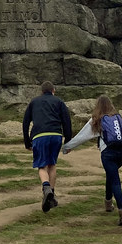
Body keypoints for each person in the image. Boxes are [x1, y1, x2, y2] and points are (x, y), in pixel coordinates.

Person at [63, 95, 122, 226]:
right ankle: (108, 203)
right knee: (111, 175)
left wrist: (67, 147)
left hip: (109, 153)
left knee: (115, 180)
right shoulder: (117, 118)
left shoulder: (97, 119)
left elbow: (82, 136)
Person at [22, 81, 73, 213]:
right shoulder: (59, 101)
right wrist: (68, 139)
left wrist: (27, 142)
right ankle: (51, 194)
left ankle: (46, 188)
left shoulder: (34, 102)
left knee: (42, 166)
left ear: (42, 91)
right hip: (56, 135)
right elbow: (66, 120)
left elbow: (26, 122)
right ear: (53, 90)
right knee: (52, 164)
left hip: (39, 136)